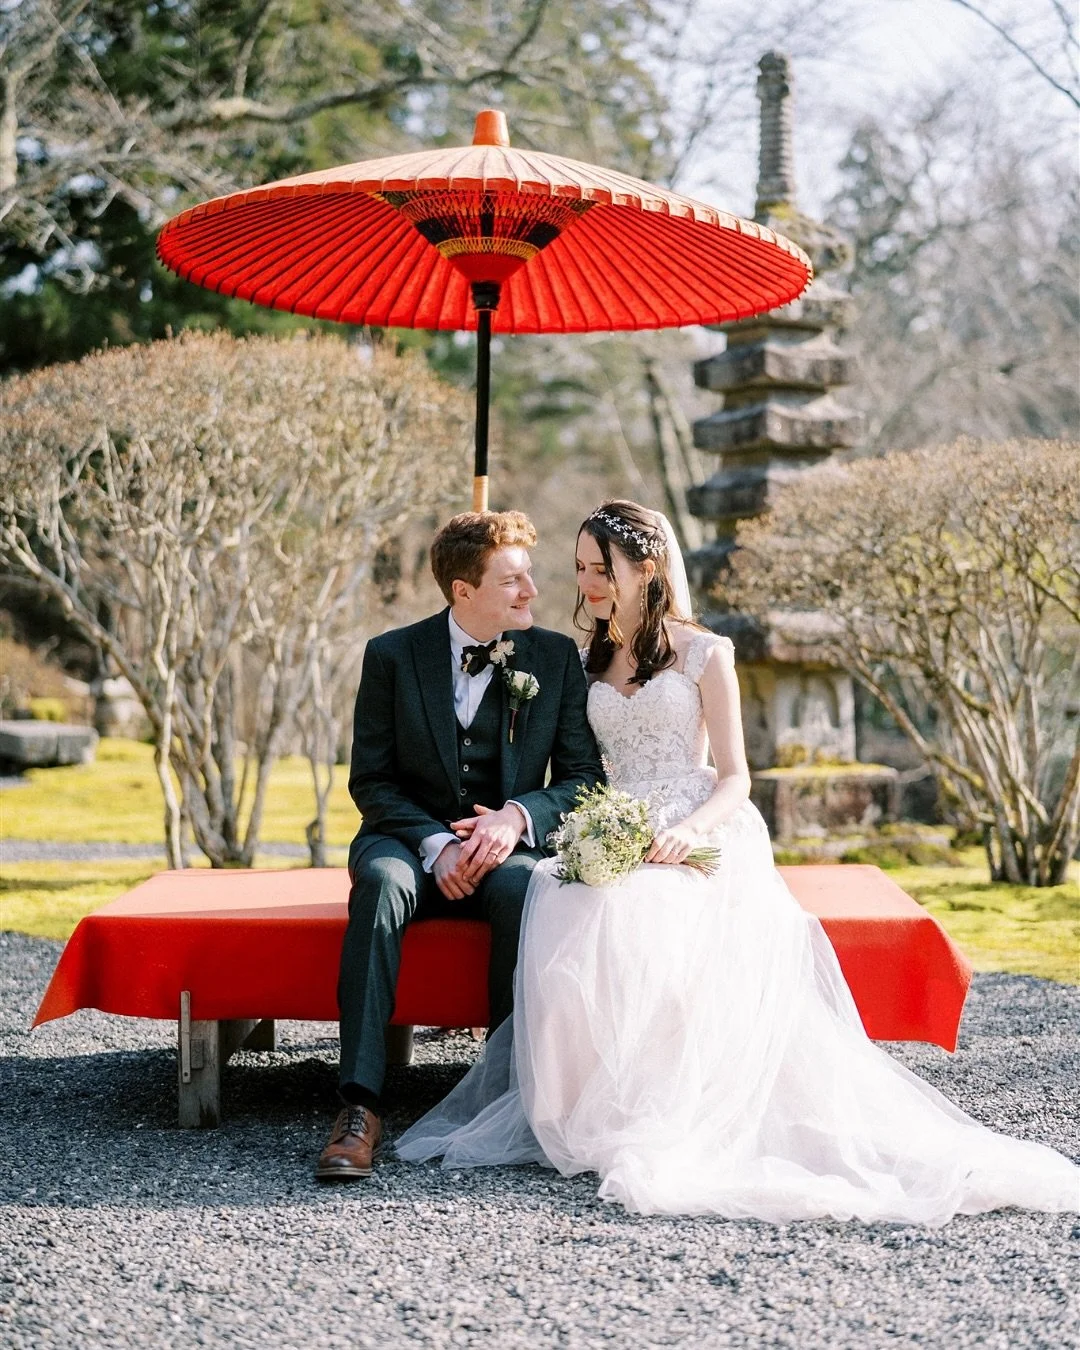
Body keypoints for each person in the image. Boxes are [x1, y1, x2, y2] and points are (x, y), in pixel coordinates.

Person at [396, 500, 1080, 1224]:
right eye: (581, 569)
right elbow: (579, 768)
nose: (586, 584)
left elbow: (736, 779)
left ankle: (671, 1108)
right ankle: (582, 1106)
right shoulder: (585, 656)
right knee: (563, 898)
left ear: (645, 569)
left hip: (699, 822)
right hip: (615, 822)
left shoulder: (706, 653)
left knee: (645, 909)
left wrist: (687, 833)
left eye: (600, 570)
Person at [316, 510, 604, 1181]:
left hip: (508, 847)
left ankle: (508, 1096)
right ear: (463, 591)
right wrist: (436, 843)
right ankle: (359, 1106)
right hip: (405, 840)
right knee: (382, 885)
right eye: (512, 579)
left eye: (528, 575)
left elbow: (583, 778)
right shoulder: (391, 655)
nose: (531, 590)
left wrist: (516, 818)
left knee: (525, 886)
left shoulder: (554, 657)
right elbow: (372, 781)